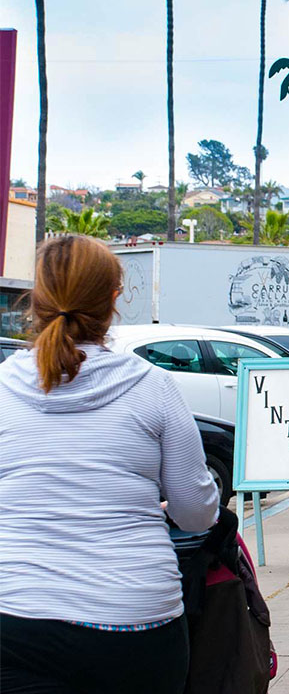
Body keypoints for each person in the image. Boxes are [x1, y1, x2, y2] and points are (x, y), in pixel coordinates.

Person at [0, 235, 219, 693]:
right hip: (133, 620)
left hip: (15, 616)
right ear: (115, 298)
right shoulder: (152, 386)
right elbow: (196, 513)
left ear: (35, 299)